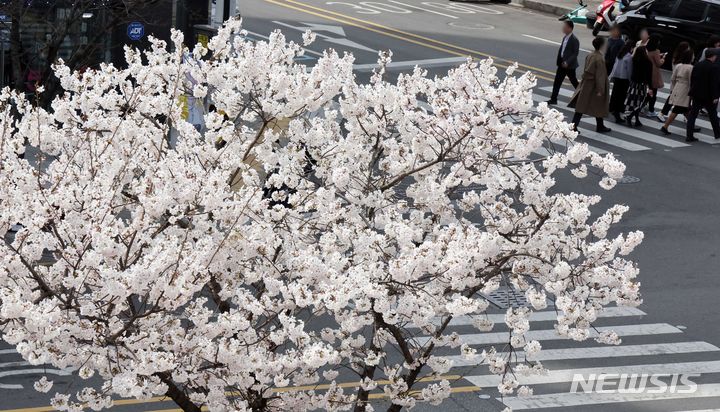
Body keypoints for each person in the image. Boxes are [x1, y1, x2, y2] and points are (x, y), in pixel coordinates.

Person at [569, 37, 611, 133]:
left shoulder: (591, 55)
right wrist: (601, 90)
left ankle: (598, 125)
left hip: (587, 85)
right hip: (594, 86)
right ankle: (576, 126)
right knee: (597, 105)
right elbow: (600, 76)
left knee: (582, 106)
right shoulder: (599, 58)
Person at [686, 48, 720, 142]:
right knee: (713, 115)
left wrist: (692, 90)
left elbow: (693, 78)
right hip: (708, 96)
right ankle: (717, 133)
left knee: (693, 115)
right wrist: (715, 96)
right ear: (713, 56)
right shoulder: (714, 67)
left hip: (697, 93)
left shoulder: (698, 64)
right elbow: (714, 83)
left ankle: (689, 135)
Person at [660, 48, 694, 136]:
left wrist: (674, 87)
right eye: (693, 55)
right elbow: (691, 81)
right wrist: (692, 92)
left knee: (685, 109)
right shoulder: (691, 68)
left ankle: (691, 125)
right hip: (685, 89)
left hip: (677, 87)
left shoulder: (678, 65)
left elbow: (672, 78)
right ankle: (665, 126)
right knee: (678, 108)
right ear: (690, 57)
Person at [547, 21, 580, 105]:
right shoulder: (565, 37)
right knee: (557, 81)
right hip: (562, 64)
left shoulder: (574, 40)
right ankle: (553, 99)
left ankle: (581, 96)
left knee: (574, 82)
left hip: (570, 66)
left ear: (570, 28)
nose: (563, 28)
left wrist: (567, 62)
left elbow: (575, 53)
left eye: (565, 27)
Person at [659, 42, 692, 119]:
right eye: (688, 47)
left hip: (676, 81)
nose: (689, 49)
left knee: (675, 98)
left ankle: (687, 116)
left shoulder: (676, 56)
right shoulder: (681, 61)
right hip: (679, 82)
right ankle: (662, 113)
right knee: (674, 99)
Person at [625, 45, 653, 128]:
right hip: (641, 85)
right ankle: (629, 117)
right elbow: (649, 76)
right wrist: (650, 87)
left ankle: (636, 119)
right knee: (641, 102)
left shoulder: (634, 59)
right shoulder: (648, 62)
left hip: (633, 84)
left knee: (633, 102)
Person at [609, 41, 634, 123]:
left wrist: (612, 76)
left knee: (615, 94)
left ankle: (612, 108)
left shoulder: (620, 54)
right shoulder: (629, 56)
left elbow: (615, 66)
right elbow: (629, 70)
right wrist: (630, 79)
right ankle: (617, 112)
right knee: (621, 96)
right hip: (624, 79)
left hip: (617, 77)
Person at [645, 34, 665, 119]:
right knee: (653, 93)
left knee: (649, 92)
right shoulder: (656, 51)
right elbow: (658, 63)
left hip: (647, 72)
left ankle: (641, 106)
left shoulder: (646, 49)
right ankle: (651, 110)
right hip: (654, 74)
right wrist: (663, 58)